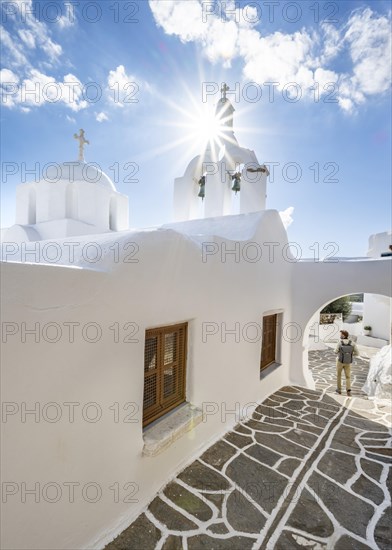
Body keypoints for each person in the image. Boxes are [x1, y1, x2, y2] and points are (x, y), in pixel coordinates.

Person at [334, 330, 359, 396]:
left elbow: (335, 351)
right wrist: (349, 354)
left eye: (341, 334)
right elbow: (357, 353)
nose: (340, 335)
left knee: (339, 375)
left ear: (343, 335)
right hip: (348, 362)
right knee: (348, 376)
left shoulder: (340, 343)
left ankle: (339, 390)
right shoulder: (352, 343)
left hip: (340, 361)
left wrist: (341, 353)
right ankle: (348, 390)